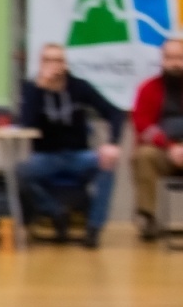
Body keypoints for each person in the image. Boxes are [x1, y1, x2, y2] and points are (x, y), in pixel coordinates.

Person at [17, 43, 124, 248]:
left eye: (58, 60)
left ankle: (93, 228)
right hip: (46, 157)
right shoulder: (32, 89)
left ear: (65, 64)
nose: (54, 65)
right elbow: (25, 124)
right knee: (20, 173)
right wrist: (40, 89)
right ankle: (55, 212)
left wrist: (112, 144)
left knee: (107, 165)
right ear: (41, 64)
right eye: (48, 60)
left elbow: (114, 113)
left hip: (78, 156)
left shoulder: (79, 87)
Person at [131, 36, 183, 242]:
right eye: (169, 58)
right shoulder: (148, 88)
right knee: (144, 155)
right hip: (163, 153)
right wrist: (171, 147)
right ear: (162, 60)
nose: (174, 63)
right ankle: (147, 218)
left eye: (179, 57)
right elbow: (143, 126)